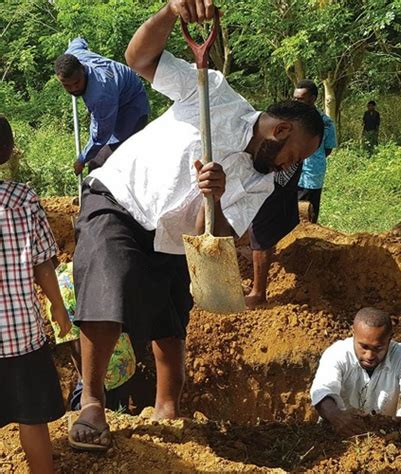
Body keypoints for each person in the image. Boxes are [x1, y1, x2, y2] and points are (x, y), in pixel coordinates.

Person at [68, 0, 324, 451]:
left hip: (172, 238)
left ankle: (169, 412)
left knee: (170, 321)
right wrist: (170, 12)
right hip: (121, 199)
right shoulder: (213, 92)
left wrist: (217, 201)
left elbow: (228, 240)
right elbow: (139, 59)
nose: (292, 168)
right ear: (281, 131)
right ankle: (92, 403)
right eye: (296, 156)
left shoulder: (262, 181)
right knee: (110, 282)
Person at [0, 115, 72, 473]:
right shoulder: (23, 198)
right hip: (21, 336)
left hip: (19, 335)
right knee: (32, 417)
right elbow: (44, 263)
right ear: (9, 151)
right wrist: (57, 307)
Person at [311, 307, 401, 438]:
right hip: (335, 436)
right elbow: (322, 390)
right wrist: (336, 416)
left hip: (383, 440)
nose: (370, 355)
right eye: (364, 347)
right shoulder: (336, 354)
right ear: (353, 333)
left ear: (390, 339)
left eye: (378, 348)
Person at [46, 261, 136, 412]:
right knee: (119, 412)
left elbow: (76, 345)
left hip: (103, 371)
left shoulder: (58, 292)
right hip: (125, 362)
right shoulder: (85, 267)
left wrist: (86, 381)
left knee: (86, 413)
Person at [55, 38, 150, 175]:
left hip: (132, 110)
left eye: (77, 83)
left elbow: (100, 135)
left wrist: (82, 159)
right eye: (67, 85)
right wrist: (80, 39)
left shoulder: (100, 94)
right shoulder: (74, 53)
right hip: (115, 101)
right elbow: (79, 42)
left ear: (83, 69)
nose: (74, 89)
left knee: (101, 165)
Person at [245, 164, 302, 308]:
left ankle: (258, 295)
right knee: (259, 219)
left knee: (261, 225)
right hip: (272, 167)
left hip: (277, 169)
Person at [294, 79, 337, 223]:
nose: (296, 102)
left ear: (312, 99)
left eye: (301, 99)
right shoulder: (288, 120)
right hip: (289, 174)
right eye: (295, 98)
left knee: (308, 214)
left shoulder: (326, 123)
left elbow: (328, 149)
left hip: (312, 173)